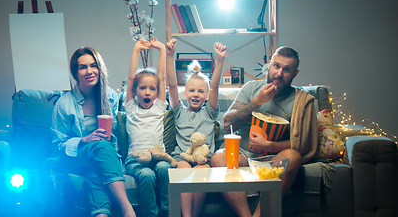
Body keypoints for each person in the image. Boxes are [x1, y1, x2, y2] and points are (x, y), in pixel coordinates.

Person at [210, 46, 319, 217]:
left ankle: (260, 214)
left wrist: (269, 145)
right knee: (218, 157)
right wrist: (257, 101)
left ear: (295, 74)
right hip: (244, 155)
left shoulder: (301, 100)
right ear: (269, 64)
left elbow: (302, 143)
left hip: (274, 160)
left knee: (293, 156)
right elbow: (228, 123)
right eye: (276, 66)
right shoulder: (252, 88)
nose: (279, 73)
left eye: (287, 69)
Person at [51, 47, 136, 217]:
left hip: (101, 159)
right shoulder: (64, 103)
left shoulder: (109, 96)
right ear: (75, 73)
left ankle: (101, 214)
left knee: (95, 171)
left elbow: (114, 137)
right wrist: (84, 140)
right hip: (75, 158)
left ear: (100, 69)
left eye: (93, 66)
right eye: (83, 67)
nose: (89, 71)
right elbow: (57, 144)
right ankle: (127, 208)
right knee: (101, 147)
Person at [166, 39, 227, 217]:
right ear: (184, 93)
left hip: (203, 162)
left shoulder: (209, 112)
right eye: (191, 91)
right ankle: (187, 215)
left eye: (201, 91)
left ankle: (194, 214)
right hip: (183, 159)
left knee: (203, 173)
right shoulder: (179, 111)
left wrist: (220, 60)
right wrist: (169, 56)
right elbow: (171, 85)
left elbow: (215, 86)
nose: (195, 94)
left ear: (207, 95)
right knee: (184, 170)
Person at [124, 37, 170, 217]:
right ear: (135, 91)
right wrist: (136, 49)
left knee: (165, 169)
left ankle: (167, 209)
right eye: (143, 88)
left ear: (157, 92)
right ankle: (150, 214)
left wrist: (162, 50)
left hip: (159, 157)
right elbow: (130, 78)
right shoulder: (131, 107)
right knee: (148, 175)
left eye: (152, 88)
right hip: (134, 161)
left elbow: (162, 77)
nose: (148, 92)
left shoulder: (159, 107)